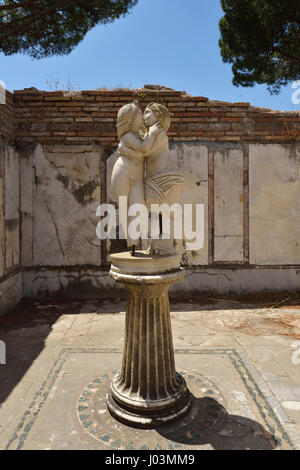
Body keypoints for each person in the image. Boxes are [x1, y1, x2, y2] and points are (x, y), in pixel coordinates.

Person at [111, 100, 162, 250]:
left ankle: (132, 241)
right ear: (132, 119)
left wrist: (129, 152)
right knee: (125, 210)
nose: (143, 116)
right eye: (140, 113)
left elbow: (144, 154)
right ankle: (131, 242)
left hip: (137, 178)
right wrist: (152, 134)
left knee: (137, 209)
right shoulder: (128, 137)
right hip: (123, 174)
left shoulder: (139, 136)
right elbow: (143, 149)